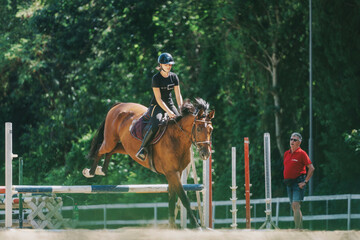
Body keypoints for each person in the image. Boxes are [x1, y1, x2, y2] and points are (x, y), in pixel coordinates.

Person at [136, 53, 183, 161]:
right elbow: (159, 98)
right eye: (166, 65)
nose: (169, 66)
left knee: (180, 121)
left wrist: (180, 108)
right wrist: (168, 112)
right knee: (156, 124)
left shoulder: (174, 77)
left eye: (170, 65)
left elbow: (178, 95)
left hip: (170, 103)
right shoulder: (156, 78)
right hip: (157, 105)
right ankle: (143, 148)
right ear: (160, 65)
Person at [283, 132, 315, 229]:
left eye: (295, 140)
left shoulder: (302, 153)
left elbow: (312, 168)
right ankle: (300, 229)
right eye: (291, 139)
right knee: (295, 207)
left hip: (298, 182)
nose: (292, 141)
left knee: (296, 204)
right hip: (289, 183)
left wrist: (305, 181)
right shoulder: (286, 153)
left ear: (299, 143)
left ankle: (297, 229)